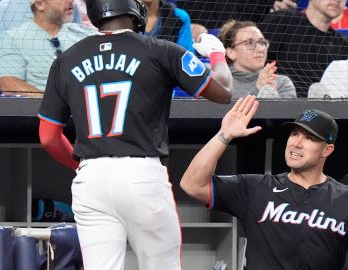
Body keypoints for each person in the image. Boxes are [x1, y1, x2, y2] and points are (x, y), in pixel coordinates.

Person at [37, 0, 232, 269]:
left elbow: (48, 136)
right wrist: (216, 54)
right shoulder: (160, 50)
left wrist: (80, 164)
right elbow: (223, 90)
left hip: (91, 179)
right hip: (142, 175)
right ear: (132, 9)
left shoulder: (66, 59)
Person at [180, 95, 348, 270]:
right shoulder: (256, 188)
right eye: (294, 133)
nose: (296, 142)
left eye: (309, 138)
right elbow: (192, 184)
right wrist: (224, 135)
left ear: (326, 150)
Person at [259, 0, 348, 97]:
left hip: (329, 110)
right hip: (280, 106)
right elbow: (253, 62)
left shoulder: (346, 46)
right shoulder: (283, 21)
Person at [0, 0, 94, 97]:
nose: (70, 0)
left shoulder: (85, 34)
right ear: (40, 4)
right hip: (37, 109)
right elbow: (8, 83)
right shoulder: (13, 38)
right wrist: (52, 104)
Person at [218, 20, 296, 99]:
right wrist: (258, 89)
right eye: (249, 43)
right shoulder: (219, 84)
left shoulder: (282, 82)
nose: (260, 49)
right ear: (231, 53)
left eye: (262, 42)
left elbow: (288, 111)